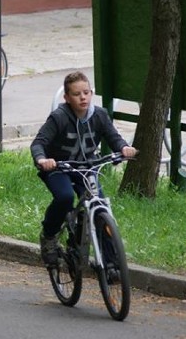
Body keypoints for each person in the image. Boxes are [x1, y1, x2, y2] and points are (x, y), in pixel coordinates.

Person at [30, 71, 137, 266]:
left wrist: (123, 148)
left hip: (87, 167)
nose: (83, 97)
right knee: (65, 197)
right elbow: (39, 143)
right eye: (77, 94)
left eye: (86, 93)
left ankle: (111, 264)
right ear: (67, 98)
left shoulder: (100, 115)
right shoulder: (59, 117)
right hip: (59, 168)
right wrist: (42, 159)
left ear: (91, 93)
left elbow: (113, 137)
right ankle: (49, 237)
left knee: (99, 205)